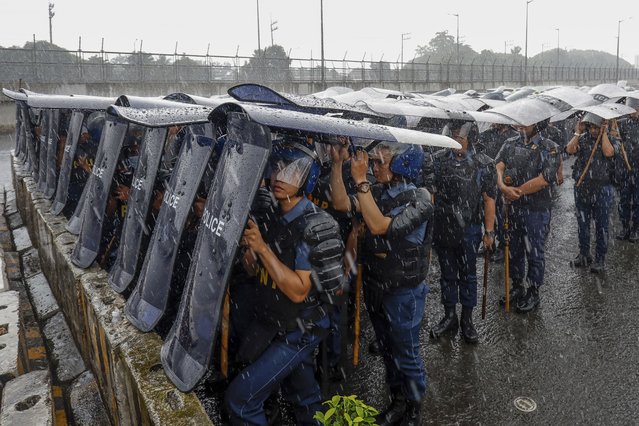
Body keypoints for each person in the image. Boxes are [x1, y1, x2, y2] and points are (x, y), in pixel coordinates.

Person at [225, 137, 343, 425]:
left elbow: (299, 291)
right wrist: (252, 253)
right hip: (274, 321)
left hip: (299, 329)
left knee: (240, 400)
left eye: (290, 170)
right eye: (276, 167)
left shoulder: (316, 225)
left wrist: (263, 249)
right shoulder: (272, 215)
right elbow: (257, 273)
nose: (279, 176)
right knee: (304, 398)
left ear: (307, 176)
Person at [331, 141, 433, 426]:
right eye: (372, 163)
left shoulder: (421, 199)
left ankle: (413, 407)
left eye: (380, 163)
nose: (374, 168)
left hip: (404, 293)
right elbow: (341, 204)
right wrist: (338, 164)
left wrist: (361, 180)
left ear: (402, 165)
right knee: (388, 349)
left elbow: (379, 226)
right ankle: (398, 400)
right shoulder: (377, 191)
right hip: (377, 287)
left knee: (407, 353)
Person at [425, 120, 496, 343]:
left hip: (470, 229)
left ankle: (467, 320)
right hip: (443, 228)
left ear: (470, 139)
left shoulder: (483, 164)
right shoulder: (437, 161)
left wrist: (489, 232)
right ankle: (449, 316)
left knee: (468, 275)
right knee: (447, 275)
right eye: (452, 135)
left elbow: (489, 199)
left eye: (460, 137)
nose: (455, 141)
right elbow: (430, 194)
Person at [495, 118, 560, 313]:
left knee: (534, 251)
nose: (521, 125)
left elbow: (545, 179)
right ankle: (517, 285)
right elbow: (498, 165)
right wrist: (503, 187)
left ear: (538, 124)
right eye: (520, 122)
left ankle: (533, 290)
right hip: (512, 208)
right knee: (513, 248)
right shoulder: (509, 143)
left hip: (536, 209)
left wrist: (518, 192)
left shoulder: (550, 147)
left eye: (527, 122)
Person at [565, 113, 619, 273]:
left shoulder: (613, 140)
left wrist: (603, 134)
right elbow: (569, 149)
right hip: (582, 187)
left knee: (601, 226)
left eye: (597, 127)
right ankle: (584, 254)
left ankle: (600, 259)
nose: (594, 130)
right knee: (583, 225)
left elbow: (609, 152)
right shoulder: (583, 138)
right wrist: (577, 132)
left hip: (603, 189)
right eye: (592, 127)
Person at [616, 97, 639, 242]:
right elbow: (617, 140)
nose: (632, 111)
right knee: (623, 200)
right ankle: (625, 227)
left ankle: (636, 229)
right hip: (624, 168)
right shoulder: (622, 124)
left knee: (637, 201)